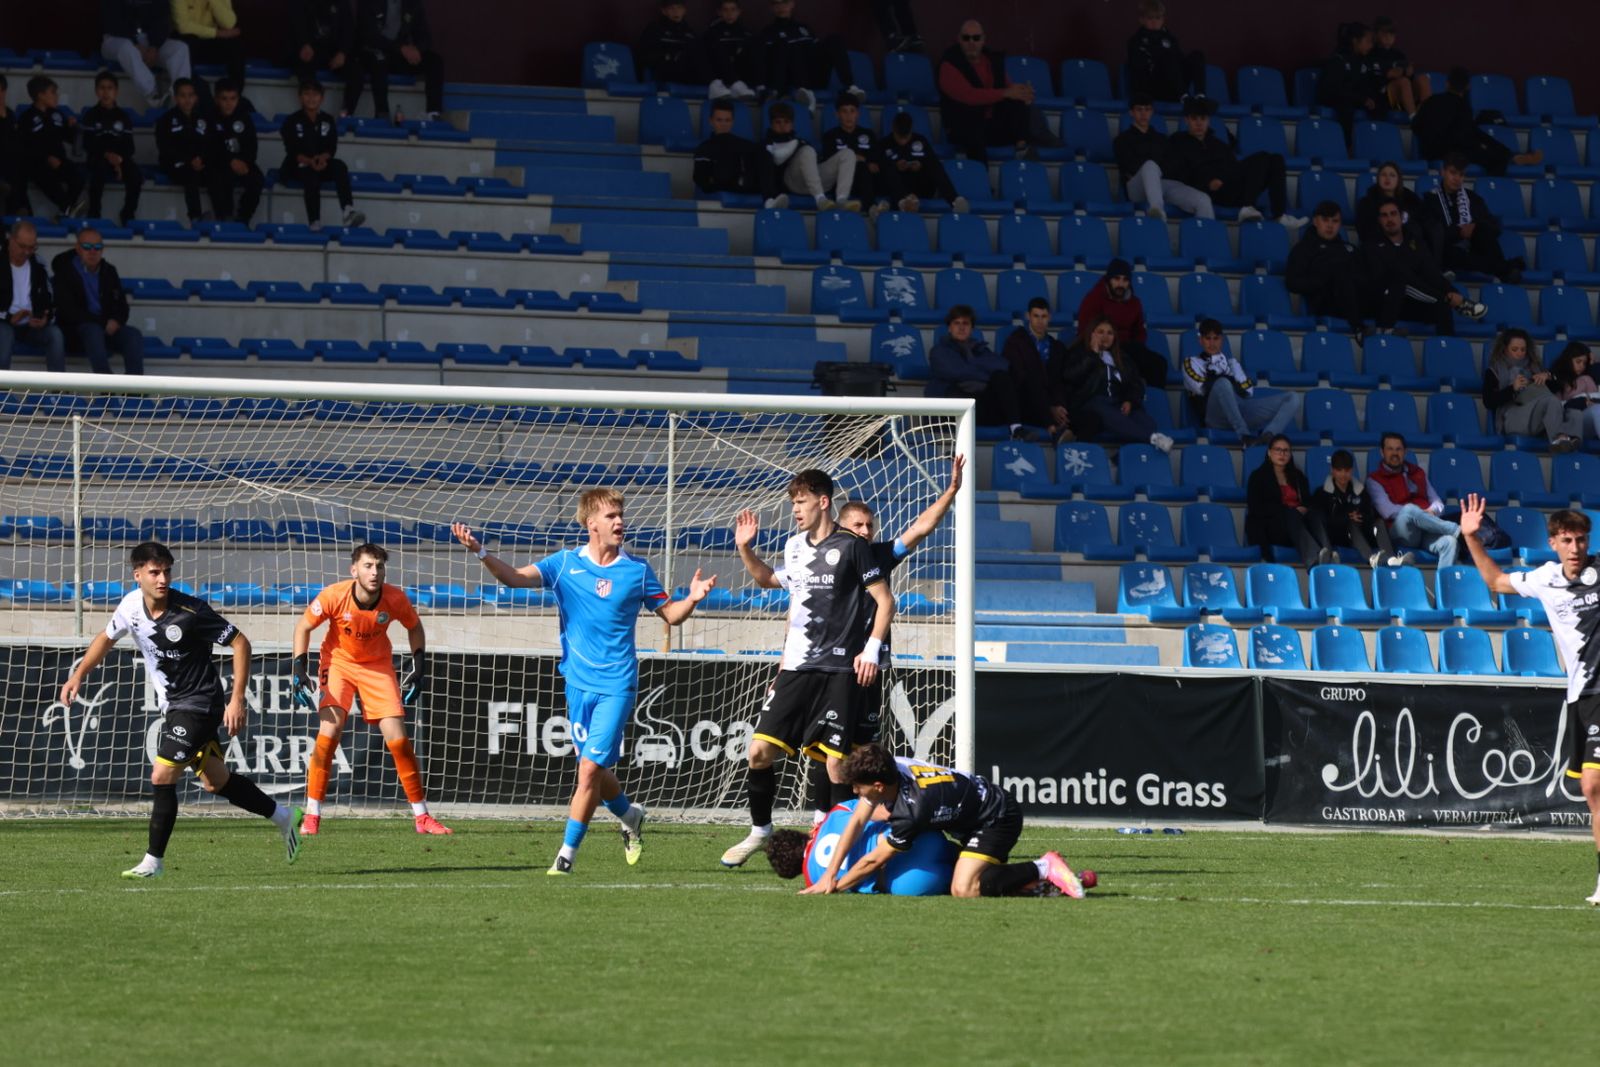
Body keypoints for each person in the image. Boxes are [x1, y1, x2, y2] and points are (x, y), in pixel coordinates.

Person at [453, 493, 715, 874]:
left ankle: (565, 857)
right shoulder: (564, 564)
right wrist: (480, 552)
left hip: (618, 684)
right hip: (577, 683)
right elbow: (513, 579)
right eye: (611, 515)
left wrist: (691, 599)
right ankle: (630, 816)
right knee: (597, 770)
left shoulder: (637, 571)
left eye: (621, 514)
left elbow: (671, 615)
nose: (619, 521)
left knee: (588, 771)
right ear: (591, 523)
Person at [58, 541, 301, 879]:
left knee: (162, 775)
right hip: (174, 705)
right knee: (216, 781)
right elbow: (106, 637)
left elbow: (240, 643)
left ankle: (153, 863)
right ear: (138, 575)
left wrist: (237, 698)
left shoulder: (191, 612)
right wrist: (78, 675)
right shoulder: (130, 606)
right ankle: (284, 816)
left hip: (200, 702)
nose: (162, 579)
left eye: (167, 572)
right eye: (154, 573)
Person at [718, 469, 895, 867]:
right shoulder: (793, 546)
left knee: (836, 764)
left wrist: (870, 650)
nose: (795, 509)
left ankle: (835, 846)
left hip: (838, 672)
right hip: (796, 669)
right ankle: (760, 831)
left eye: (800, 501)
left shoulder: (852, 546)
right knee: (759, 752)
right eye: (793, 502)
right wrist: (745, 548)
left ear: (823, 501)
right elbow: (767, 580)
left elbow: (885, 601)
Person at [801, 455, 965, 822]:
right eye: (858, 524)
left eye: (870, 525)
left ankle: (842, 818)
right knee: (831, 748)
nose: (865, 531)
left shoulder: (877, 556)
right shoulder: (823, 559)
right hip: (834, 665)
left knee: (860, 748)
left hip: (871, 668)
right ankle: (825, 821)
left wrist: (951, 491)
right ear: (841, 526)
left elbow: (920, 529)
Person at [1457, 496, 1600, 906]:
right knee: (1593, 793)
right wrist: (1471, 538)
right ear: (1553, 542)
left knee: (1593, 784)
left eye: (1582, 540)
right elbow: (1496, 582)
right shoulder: (1545, 578)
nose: (1576, 548)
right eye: (1568, 540)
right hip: (1581, 696)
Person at [291, 544, 446, 837]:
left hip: (377, 666)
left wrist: (419, 668)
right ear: (354, 570)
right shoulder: (334, 595)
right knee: (329, 733)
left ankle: (422, 816)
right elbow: (303, 627)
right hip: (338, 663)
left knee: (398, 740)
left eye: (379, 567)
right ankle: (312, 813)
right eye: (368, 566)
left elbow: (415, 627)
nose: (374, 573)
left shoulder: (395, 598)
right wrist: (299, 669)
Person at [799, 743, 1086, 898]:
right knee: (972, 878)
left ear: (876, 786)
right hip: (972, 815)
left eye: (857, 787)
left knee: (965, 889)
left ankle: (1043, 866)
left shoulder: (912, 810)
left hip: (996, 816)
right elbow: (857, 822)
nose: (853, 792)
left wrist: (835, 887)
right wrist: (829, 873)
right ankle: (1042, 886)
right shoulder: (893, 766)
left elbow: (873, 861)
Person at [766, 798, 959, 894]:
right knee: (968, 857)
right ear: (802, 834)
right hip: (918, 840)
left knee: (967, 883)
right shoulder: (836, 812)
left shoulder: (814, 882)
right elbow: (883, 812)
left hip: (907, 882)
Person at [1165, 96, 1304, 228]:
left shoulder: (1218, 144)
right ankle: (1248, 206)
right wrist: (1207, 183)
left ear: (1208, 120)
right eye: (1194, 119)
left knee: (1276, 159)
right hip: (1211, 192)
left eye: (1203, 118)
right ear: (1187, 120)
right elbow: (1180, 175)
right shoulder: (1178, 142)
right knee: (1261, 157)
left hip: (1232, 186)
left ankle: (1279, 215)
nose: (1199, 123)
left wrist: (1224, 177)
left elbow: (1233, 167)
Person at [1364, 198, 1485, 336]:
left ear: (1401, 217)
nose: (1389, 219)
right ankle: (1455, 302)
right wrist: (1445, 296)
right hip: (1385, 302)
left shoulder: (1415, 242)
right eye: (1384, 215)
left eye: (1393, 214)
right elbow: (1388, 276)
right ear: (1379, 220)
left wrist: (1452, 291)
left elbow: (1431, 273)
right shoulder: (1372, 245)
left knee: (1442, 306)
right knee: (1402, 277)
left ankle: (1446, 351)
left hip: (1414, 302)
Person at [1061, 316, 1173, 452]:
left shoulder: (1122, 357)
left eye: (1110, 333)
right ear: (1092, 333)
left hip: (1117, 401)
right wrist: (1093, 354)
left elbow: (1135, 383)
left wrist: (1130, 401)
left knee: (1148, 423)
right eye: (1100, 332)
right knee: (1111, 415)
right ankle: (1153, 439)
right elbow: (1070, 376)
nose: (1105, 336)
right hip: (1091, 401)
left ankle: (1120, 458)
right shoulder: (1078, 353)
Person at [927, 304, 1039, 439]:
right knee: (955, 390)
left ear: (972, 328)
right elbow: (956, 372)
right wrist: (984, 372)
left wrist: (971, 365)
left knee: (1002, 378)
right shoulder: (939, 351)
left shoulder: (980, 349)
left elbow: (1003, 366)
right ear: (949, 328)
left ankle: (1017, 429)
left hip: (981, 406)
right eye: (957, 323)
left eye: (966, 323)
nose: (961, 327)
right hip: (951, 411)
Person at [1182, 318, 1300, 444]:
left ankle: (1268, 436)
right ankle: (1244, 436)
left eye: (1216, 338)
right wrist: (1226, 378)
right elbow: (1200, 387)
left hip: (1241, 410)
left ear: (1221, 340)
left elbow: (1248, 391)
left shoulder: (1232, 363)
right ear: (1200, 340)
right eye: (1208, 338)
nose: (1212, 343)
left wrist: (1224, 378)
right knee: (1222, 383)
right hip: (1214, 416)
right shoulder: (1191, 362)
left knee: (1292, 397)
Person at [936, 19, 1039, 163]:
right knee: (972, 130)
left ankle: (1022, 150)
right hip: (962, 128)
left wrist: (1023, 93)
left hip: (990, 125)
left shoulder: (992, 60)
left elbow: (1009, 88)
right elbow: (968, 96)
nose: (971, 42)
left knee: (1018, 103)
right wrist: (1005, 93)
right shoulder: (949, 64)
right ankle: (982, 182)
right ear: (959, 39)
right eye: (966, 38)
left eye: (976, 38)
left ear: (983, 40)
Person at [1412, 67, 1541, 175]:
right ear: (1468, 87)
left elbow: (1416, 126)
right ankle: (1511, 160)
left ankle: (1513, 156)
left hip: (1428, 152)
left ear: (1447, 83)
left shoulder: (1431, 101)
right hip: (1452, 153)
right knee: (1494, 158)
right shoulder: (1463, 107)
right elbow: (1467, 135)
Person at [50, 227, 144, 375]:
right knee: (93, 330)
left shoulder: (109, 271)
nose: (92, 251)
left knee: (133, 335)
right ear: (78, 248)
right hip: (75, 333)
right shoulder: (65, 272)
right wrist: (102, 323)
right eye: (87, 247)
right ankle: (106, 388)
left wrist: (116, 321)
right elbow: (68, 311)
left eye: (97, 247)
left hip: (106, 329)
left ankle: (135, 392)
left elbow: (122, 307)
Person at [1422, 154, 1523, 282]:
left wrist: (1475, 227)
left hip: (1474, 249)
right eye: (1453, 173)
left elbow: (1494, 228)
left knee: (1483, 230)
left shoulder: (1473, 198)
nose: (1457, 178)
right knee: (1449, 251)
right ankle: (1506, 268)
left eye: (1461, 175)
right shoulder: (1430, 199)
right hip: (1448, 251)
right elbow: (1433, 235)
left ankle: (1503, 269)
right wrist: (1460, 232)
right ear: (1443, 172)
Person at [1481, 328, 1583, 453]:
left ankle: (1569, 441)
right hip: (1513, 416)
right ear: (1504, 349)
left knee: (1574, 413)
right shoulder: (1494, 371)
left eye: (1523, 349)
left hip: (1536, 414)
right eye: (1515, 349)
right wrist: (1512, 389)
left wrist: (1548, 376)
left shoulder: (1534, 367)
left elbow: (1558, 387)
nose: (1520, 353)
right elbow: (1488, 401)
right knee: (1551, 401)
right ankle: (1559, 439)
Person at [281, 79, 366, 231]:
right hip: (298, 165)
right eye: (307, 94)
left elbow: (331, 147)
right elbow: (292, 150)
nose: (311, 98)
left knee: (339, 166)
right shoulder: (292, 121)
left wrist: (322, 158)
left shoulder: (327, 119)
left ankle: (348, 210)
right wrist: (310, 161)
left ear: (322, 97)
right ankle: (314, 221)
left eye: (315, 94)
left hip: (321, 163)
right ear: (300, 97)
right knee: (310, 174)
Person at [1075, 257, 1171, 390]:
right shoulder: (1093, 299)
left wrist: (1137, 345)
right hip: (1104, 346)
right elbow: (1084, 331)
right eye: (1117, 279)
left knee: (1159, 363)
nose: (1121, 284)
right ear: (1109, 280)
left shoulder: (1134, 302)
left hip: (1127, 347)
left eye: (1125, 280)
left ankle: (1151, 399)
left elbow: (1139, 331)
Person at [1114, 94, 1213, 221]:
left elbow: (1173, 164)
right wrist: (1154, 169)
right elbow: (1128, 166)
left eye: (1147, 109)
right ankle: (1157, 211)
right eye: (1139, 109)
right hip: (1138, 186)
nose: (1143, 114)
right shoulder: (1122, 140)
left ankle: (1206, 237)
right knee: (1150, 166)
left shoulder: (1162, 139)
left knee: (1203, 199)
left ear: (1152, 112)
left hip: (1164, 184)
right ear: (1131, 112)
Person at [1367, 431, 1460, 565]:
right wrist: (1418, 513)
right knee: (1410, 510)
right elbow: (1386, 510)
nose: (1394, 453)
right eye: (1390, 449)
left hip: (1425, 529)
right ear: (1382, 452)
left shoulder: (1417, 473)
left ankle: (1445, 585)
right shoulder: (1374, 479)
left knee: (1450, 543)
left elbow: (1437, 502)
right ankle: (1456, 530)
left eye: (1398, 449)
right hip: (1401, 532)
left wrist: (1431, 511)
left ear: (1405, 452)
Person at [1309, 449, 1409, 568]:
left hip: (1361, 533)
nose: (1343, 474)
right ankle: (1371, 559)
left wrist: (1360, 517)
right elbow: (1320, 523)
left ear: (1352, 471)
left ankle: (1392, 559)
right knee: (1351, 523)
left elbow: (1370, 515)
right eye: (1339, 470)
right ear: (1332, 470)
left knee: (1378, 522)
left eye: (1347, 470)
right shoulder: (1322, 493)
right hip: (1337, 535)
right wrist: (1346, 517)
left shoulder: (1360, 491)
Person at [349, 0, 444, 122]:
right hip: (372, 53)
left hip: (399, 56)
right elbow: (369, 36)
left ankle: (433, 112)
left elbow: (425, 37)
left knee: (435, 61)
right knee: (379, 58)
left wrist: (417, 49)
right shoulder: (368, 3)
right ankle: (382, 113)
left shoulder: (413, 4)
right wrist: (400, 48)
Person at [1286, 200, 1368, 339]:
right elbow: (1292, 282)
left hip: (1357, 299)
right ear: (1315, 222)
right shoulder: (1303, 249)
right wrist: (1321, 280)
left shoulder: (1349, 248)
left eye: (1335, 221)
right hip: (1325, 302)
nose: (1330, 225)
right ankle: (1358, 326)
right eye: (1325, 220)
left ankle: (1387, 328)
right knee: (1339, 270)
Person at [1246, 435, 1334, 565]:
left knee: (1316, 514)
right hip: (1274, 528)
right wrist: (1289, 510)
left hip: (1299, 525)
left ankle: (1328, 556)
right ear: (1269, 453)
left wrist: (1304, 509)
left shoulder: (1298, 476)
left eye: (1286, 450)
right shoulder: (1258, 476)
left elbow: (1308, 501)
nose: (1282, 454)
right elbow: (1256, 508)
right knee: (1292, 514)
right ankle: (1313, 558)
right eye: (1278, 450)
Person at [752, 0, 855, 109]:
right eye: (777, 3)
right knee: (789, 45)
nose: (781, 7)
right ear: (772, 7)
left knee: (834, 40)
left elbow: (817, 54)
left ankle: (850, 87)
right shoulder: (767, 32)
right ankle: (804, 93)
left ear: (792, 4)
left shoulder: (804, 28)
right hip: (789, 80)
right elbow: (766, 63)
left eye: (785, 2)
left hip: (814, 76)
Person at [758, 100, 856, 212]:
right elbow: (766, 173)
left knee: (848, 153)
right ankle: (820, 199)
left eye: (786, 122)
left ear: (792, 123)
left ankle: (841, 199)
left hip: (814, 182)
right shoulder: (766, 145)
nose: (783, 126)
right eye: (778, 122)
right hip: (793, 184)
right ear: (771, 124)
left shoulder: (801, 142)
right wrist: (770, 197)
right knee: (807, 151)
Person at [1001, 299, 1073, 442]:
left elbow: (1059, 379)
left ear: (1049, 317)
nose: (1040, 321)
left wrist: (1059, 404)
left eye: (1044, 316)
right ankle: (1053, 430)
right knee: (1032, 381)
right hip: (1024, 401)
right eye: (1036, 316)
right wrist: (1050, 408)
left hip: (1049, 401)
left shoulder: (1057, 347)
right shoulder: (1015, 341)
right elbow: (1020, 377)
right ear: (1028, 316)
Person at [16, 76, 86, 220]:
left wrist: (73, 128)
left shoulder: (57, 114)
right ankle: (67, 207)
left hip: (60, 161)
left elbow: (70, 138)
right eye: (53, 92)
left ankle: (64, 213)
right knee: (44, 176)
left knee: (78, 177)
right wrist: (46, 157)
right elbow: (25, 146)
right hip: (37, 164)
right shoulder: (27, 118)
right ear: (41, 95)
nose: (56, 96)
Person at [0, 221, 67, 373]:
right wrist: (9, 317)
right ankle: (1, 391)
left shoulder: (38, 266)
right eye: (22, 246)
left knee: (54, 334)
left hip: (30, 325)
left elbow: (51, 301)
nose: (26, 252)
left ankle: (59, 391)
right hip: (3, 322)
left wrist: (45, 317)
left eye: (31, 248)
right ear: (11, 240)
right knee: (5, 334)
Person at [79, 71, 142, 226]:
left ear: (116, 91)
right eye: (102, 88)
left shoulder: (123, 116)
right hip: (98, 157)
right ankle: (94, 212)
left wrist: (119, 160)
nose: (106, 92)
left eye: (110, 88)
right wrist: (107, 154)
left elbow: (129, 146)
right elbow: (88, 143)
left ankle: (128, 213)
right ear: (96, 91)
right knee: (98, 170)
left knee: (135, 174)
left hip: (120, 157)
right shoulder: (90, 115)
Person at [100, 0, 192, 108]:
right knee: (127, 48)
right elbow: (113, 22)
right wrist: (135, 43)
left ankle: (180, 96)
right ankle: (153, 95)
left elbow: (162, 21)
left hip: (147, 40)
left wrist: (154, 46)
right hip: (116, 38)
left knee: (180, 48)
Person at [876, 110, 966, 213]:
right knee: (888, 169)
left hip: (919, 185)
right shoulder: (884, 143)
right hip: (896, 187)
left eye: (906, 137)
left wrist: (920, 166)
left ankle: (954, 200)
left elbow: (932, 163)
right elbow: (880, 168)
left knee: (934, 164)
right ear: (893, 128)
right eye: (899, 138)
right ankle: (904, 201)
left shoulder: (920, 141)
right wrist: (896, 166)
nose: (903, 142)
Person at [154, 78, 215, 223]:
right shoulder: (166, 120)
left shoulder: (204, 119)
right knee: (190, 173)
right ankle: (195, 218)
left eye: (190, 95)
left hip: (199, 163)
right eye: (183, 95)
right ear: (176, 98)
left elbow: (210, 145)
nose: (187, 99)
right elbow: (165, 148)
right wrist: (189, 160)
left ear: (196, 97)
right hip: (175, 164)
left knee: (217, 174)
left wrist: (202, 159)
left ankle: (223, 217)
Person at [1317, 21, 1384, 147]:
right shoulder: (1338, 59)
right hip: (1335, 96)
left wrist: (1369, 98)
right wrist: (1361, 99)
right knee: (1345, 107)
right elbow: (1334, 90)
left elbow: (1364, 85)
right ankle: (1347, 147)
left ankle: (1376, 145)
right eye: (1368, 41)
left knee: (1379, 103)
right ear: (1355, 40)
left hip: (1354, 97)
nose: (1371, 45)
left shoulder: (1363, 61)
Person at [1125, 0, 1204, 103]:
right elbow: (1138, 70)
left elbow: (1180, 62)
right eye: (1150, 18)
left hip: (1174, 85)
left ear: (1163, 20)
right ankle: (1184, 97)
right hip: (1152, 88)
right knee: (1167, 56)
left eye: (1158, 18)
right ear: (1142, 20)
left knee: (1197, 55)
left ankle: (1200, 96)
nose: (1154, 22)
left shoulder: (1170, 38)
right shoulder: (1136, 41)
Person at [208, 79, 263, 225]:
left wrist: (245, 162)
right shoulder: (209, 118)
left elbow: (252, 146)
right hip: (218, 163)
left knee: (257, 178)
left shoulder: (244, 118)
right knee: (218, 177)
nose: (228, 103)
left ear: (238, 99)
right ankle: (224, 216)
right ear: (216, 99)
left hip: (242, 161)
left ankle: (244, 218)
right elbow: (210, 147)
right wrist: (230, 161)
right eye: (224, 99)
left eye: (233, 99)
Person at [172, 0, 247, 98]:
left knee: (235, 46)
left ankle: (234, 98)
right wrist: (217, 33)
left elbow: (229, 24)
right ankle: (194, 98)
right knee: (188, 42)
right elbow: (183, 27)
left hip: (210, 41)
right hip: (187, 42)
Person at [818, 96, 880, 212]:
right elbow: (830, 163)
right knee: (861, 166)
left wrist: (867, 162)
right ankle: (870, 206)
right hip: (839, 181)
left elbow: (875, 162)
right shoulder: (830, 136)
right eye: (844, 111)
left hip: (865, 180)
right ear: (837, 115)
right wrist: (856, 158)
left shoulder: (868, 134)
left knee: (867, 168)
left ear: (858, 114)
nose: (848, 116)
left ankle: (876, 207)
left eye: (852, 111)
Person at [1353, 161, 1432, 251]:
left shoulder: (1411, 201)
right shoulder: (1367, 203)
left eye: (1392, 175)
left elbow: (1420, 225)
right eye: (1383, 175)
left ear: (1399, 180)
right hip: (1379, 249)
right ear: (1378, 178)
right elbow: (1364, 230)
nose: (1387, 178)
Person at [693, 99, 762, 195]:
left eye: (727, 120)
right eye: (719, 120)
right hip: (719, 190)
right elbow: (701, 180)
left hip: (747, 188)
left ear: (732, 122)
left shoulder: (746, 145)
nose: (723, 124)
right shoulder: (704, 148)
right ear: (711, 121)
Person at [637, 0, 710, 90]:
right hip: (665, 71)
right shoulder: (655, 28)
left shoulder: (689, 32)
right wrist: (670, 56)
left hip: (687, 73)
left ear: (684, 10)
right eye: (672, 8)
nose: (676, 12)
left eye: (679, 8)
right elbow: (644, 55)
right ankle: (713, 84)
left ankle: (715, 85)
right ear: (664, 11)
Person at [290, 0, 354, 99]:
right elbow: (297, 23)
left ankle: (346, 113)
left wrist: (342, 52)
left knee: (356, 73)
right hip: (309, 50)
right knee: (304, 68)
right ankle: (309, 112)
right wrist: (304, 44)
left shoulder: (342, 2)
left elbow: (348, 29)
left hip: (333, 52)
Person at [1369, 15, 1428, 117]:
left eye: (1391, 33)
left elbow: (1408, 74)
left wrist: (1408, 72)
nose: (1388, 37)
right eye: (1384, 33)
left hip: (1404, 94)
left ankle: (1428, 116)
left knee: (1423, 78)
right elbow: (1386, 75)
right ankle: (1414, 120)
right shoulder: (1371, 53)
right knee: (1403, 82)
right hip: (1382, 95)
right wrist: (1395, 73)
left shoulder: (1398, 55)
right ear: (1376, 34)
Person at [704, 0, 758, 101]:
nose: (729, 14)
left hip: (742, 73)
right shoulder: (712, 32)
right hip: (720, 74)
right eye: (725, 10)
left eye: (733, 10)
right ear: (719, 12)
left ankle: (758, 86)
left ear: (739, 12)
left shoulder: (746, 32)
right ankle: (733, 83)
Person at [1549, 341, 1600, 441]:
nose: (1582, 366)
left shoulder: (1587, 378)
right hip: (1570, 423)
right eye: (1578, 361)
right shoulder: (1557, 379)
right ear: (1568, 360)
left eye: (1584, 363)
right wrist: (1581, 402)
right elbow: (1556, 408)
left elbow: (1596, 399)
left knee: (1597, 409)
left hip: (1589, 420)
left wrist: (1592, 364)